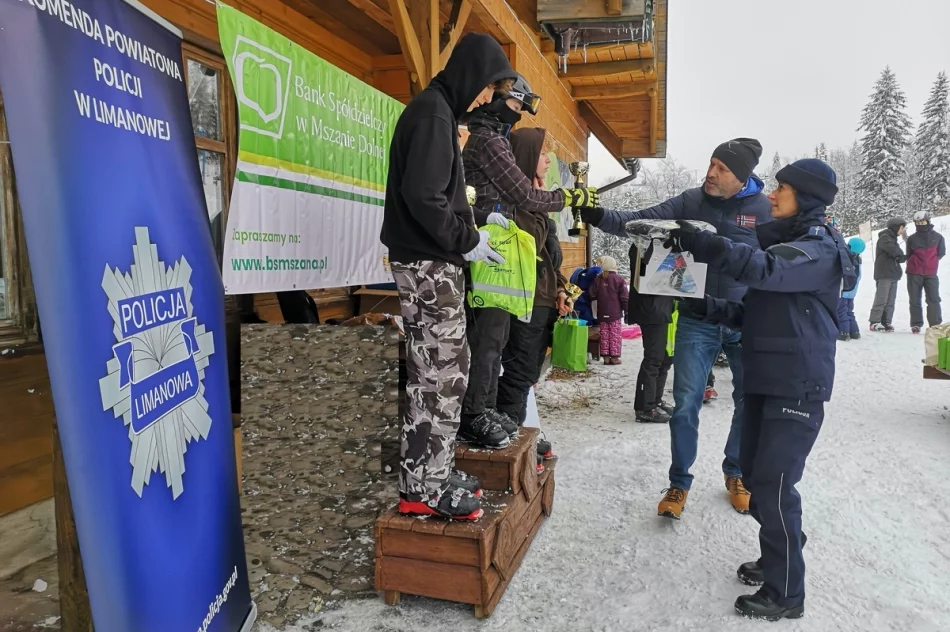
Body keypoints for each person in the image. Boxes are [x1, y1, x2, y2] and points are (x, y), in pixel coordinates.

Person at [667, 158, 854, 621]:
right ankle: (779, 554)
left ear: (806, 198)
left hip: (797, 384)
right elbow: (750, 313)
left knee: (773, 486)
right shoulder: (790, 246)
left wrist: (707, 243)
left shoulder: (817, 249)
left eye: (782, 190)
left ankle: (787, 593)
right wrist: (700, 303)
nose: (772, 196)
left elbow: (765, 270)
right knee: (753, 475)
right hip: (768, 380)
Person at [583, 138, 771, 518]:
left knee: (748, 402)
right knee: (686, 405)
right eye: (711, 163)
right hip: (696, 321)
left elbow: (776, 263)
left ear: (742, 176)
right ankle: (679, 482)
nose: (711, 173)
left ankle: (736, 473)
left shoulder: (763, 211)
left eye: (722, 168)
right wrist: (599, 215)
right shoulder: (691, 200)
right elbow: (641, 218)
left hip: (743, 320)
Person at [380, 33, 518, 520]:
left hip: (430, 261)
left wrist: (473, 227)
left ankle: (429, 473)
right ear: (470, 74)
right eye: (485, 88)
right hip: (428, 262)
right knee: (440, 376)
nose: (485, 98)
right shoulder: (434, 114)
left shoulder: (437, 113)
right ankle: (423, 487)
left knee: (441, 373)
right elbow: (424, 198)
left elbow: (439, 193)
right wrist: (466, 241)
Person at [460, 75, 599, 449]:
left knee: (495, 342)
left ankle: (484, 410)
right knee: (489, 342)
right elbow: (522, 193)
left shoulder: (490, 138)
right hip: (490, 258)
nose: (517, 116)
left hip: (500, 264)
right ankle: (474, 414)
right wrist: (567, 197)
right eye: (516, 106)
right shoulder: (489, 140)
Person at [496, 127, 572, 456]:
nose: (547, 159)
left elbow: (550, 259)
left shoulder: (535, 198)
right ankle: (510, 442)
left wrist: (562, 289)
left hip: (541, 298)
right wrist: (539, 203)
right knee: (517, 370)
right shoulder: (517, 201)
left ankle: (522, 430)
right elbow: (533, 248)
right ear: (526, 157)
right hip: (522, 299)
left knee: (528, 372)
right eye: (542, 153)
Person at [626, 241, 675, 422]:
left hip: (664, 307)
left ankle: (655, 400)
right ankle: (645, 408)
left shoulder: (659, 244)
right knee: (654, 358)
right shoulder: (643, 245)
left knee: (664, 358)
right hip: (652, 308)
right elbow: (647, 270)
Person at [906, 210, 945, 333]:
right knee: (914, 299)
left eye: (922, 221)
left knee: (933, 299)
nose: (920, 224)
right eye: (918, 222)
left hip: (931, 273)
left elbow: (941, 253)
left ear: (928, 221)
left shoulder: (938, 237)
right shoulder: (912, 239)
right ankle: (916, 324)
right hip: (914, 273)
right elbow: (909, 254)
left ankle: (935, 324)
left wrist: (931, 263)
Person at [869, 217, 907, 332]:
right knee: (881, 299)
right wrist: (901, 255)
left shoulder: (893, 239)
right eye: (901, 228)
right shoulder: (885, 238)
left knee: (890, 300)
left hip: (893, 274)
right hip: (884, 273)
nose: (902, 231)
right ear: (895, 227)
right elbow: (894, 251)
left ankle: (886, 321)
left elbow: (900, 258)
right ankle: (875, 321)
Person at [589, 256, 628, 364]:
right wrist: (626, 310)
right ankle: (614, 358)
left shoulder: (598, 279)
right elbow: (624, 297)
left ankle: (606, 357)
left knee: (604, 335)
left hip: (602, 312)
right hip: (615, 313)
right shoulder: (619, 279)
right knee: (614, 335)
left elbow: (592, 294)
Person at [837, 237, 866, 341]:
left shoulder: (848, 259)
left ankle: (844, 332)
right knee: (849, 311)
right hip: (852, 291)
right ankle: (854, 331)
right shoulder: (858, 260)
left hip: (844, 290)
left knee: (841, 311)